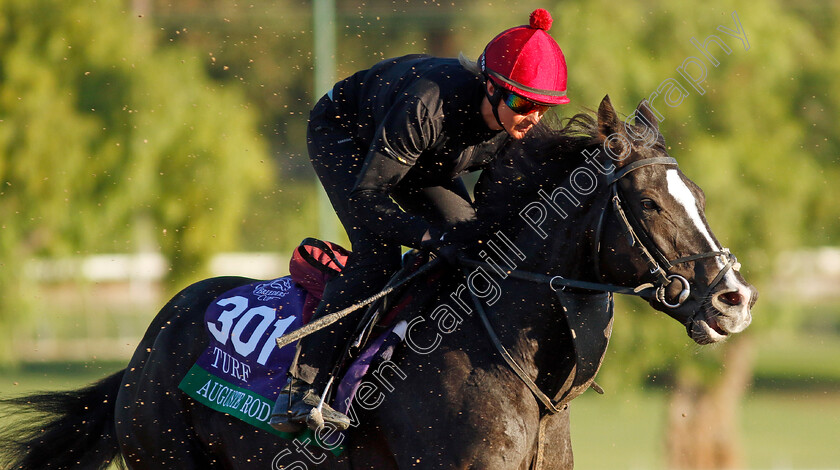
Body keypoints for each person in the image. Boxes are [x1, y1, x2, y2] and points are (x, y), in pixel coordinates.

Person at [270, 8, 570, 433]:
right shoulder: (425, 106)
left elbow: (490, 215)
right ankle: (303, 391)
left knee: (472, 247)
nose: (533, 117)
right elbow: (369, 197)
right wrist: (430, 236)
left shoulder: (519, 125)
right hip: (348, 135)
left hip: (423, 157)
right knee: (378, 257)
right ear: (490, 86)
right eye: (523, 103)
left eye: (543, 107)